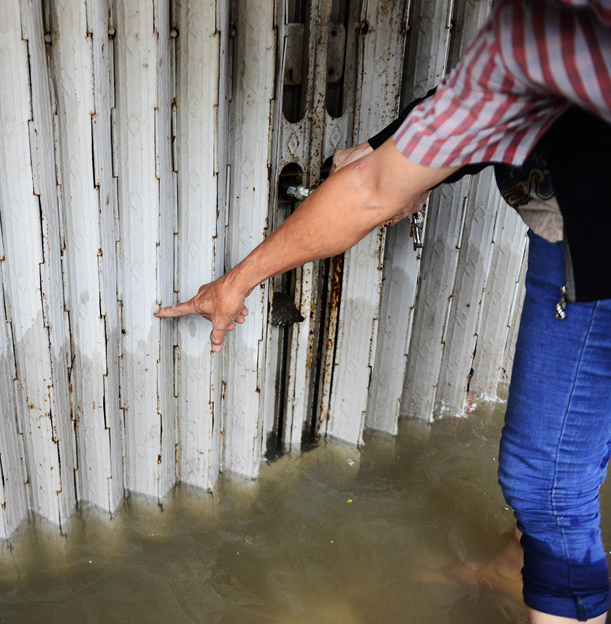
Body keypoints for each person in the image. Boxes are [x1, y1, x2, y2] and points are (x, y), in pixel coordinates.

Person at [156, 1, 611, 622]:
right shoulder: (538, 41)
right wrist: (384, 148)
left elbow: (376, 187)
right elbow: (460, 121)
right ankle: (515, 572)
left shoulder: (544, 38)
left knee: (547, 484)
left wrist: (239, 282)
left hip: (593, 259)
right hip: (575, 232)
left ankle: (563, 592)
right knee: (571, 450)